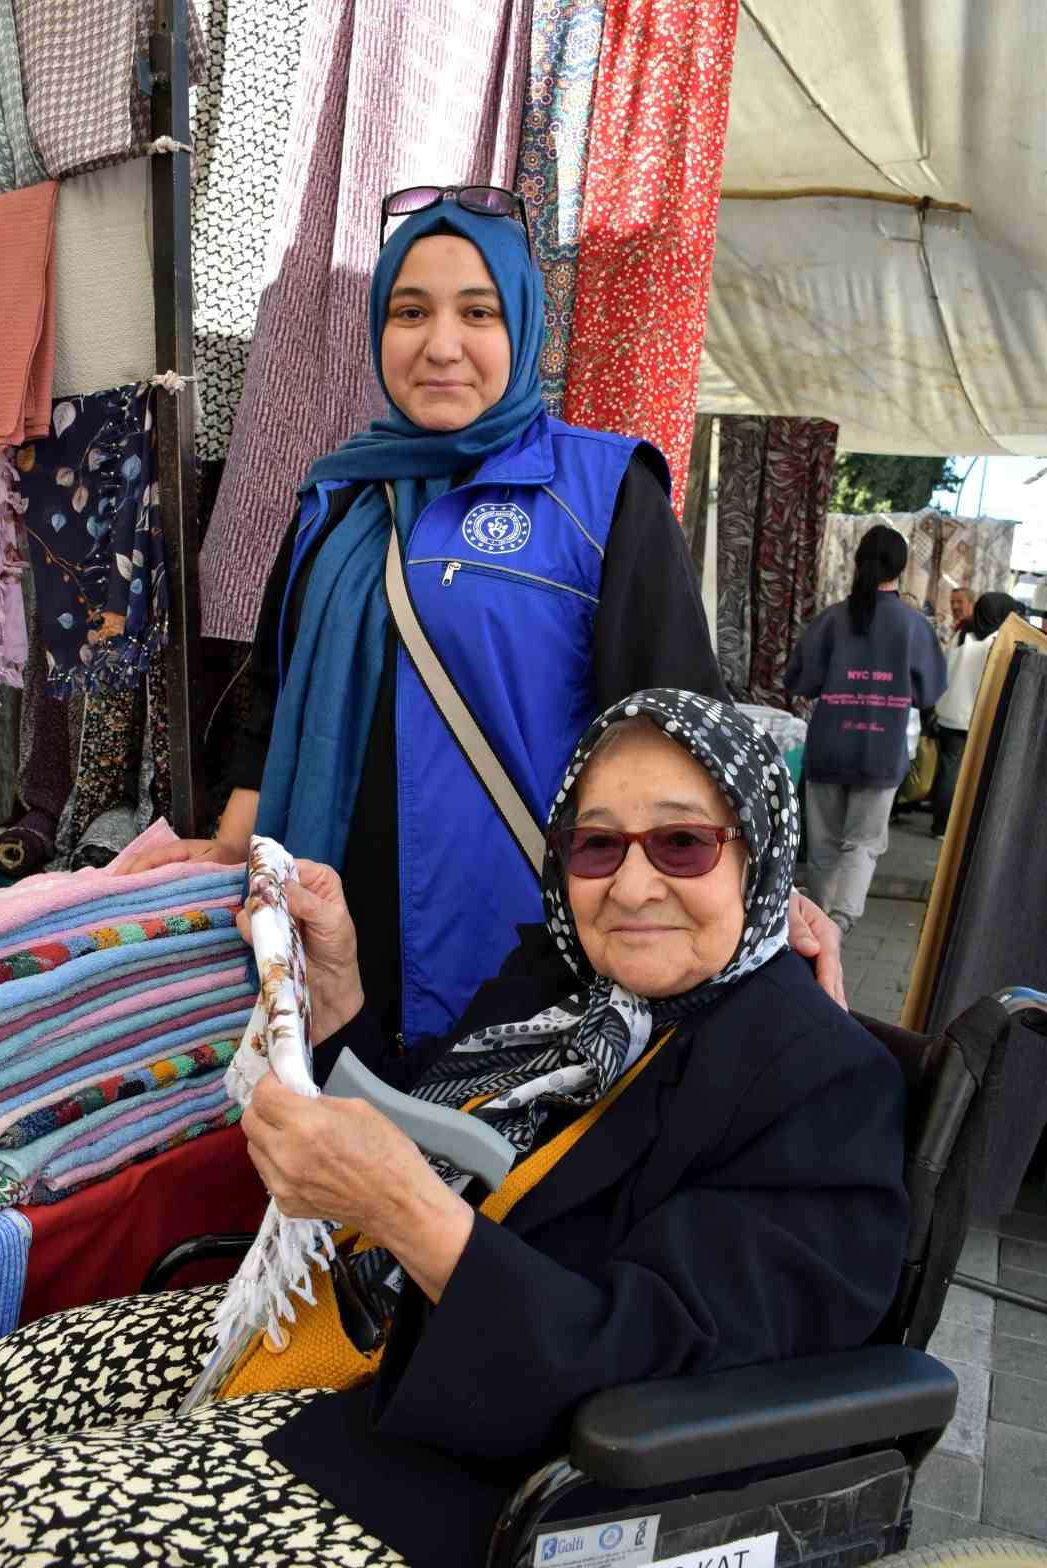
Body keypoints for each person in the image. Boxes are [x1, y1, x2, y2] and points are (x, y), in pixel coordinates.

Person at [0, 690, 908, 1568]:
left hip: (489, 1474)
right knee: (8, 1381)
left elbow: (647, 1362)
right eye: (596, 845)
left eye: (682, 842)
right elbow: (423, 1119)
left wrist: (405, 1213)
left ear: (758, 852)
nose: (631, 886)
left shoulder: (818, 1083)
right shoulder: (560, 983)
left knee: (18, 1524)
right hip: (352, 1330)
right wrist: (335, 983)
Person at [129, 187, 841, 1034]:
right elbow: (273, 703)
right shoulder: (336, 497)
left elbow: (681, 722)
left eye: (478, 312)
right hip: (325, 923)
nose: (441, 346)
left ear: (525, 328)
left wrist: (758, 894)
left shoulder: (605, 491)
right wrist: (224, 849)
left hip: (516, 946)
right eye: (409, 311)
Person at [785, 525, 946, 937]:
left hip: (829, 746)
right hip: (882, 751)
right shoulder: (914, 626)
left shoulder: (832, 619)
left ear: (858, 562)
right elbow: (929, 692)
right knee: (864, 843)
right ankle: (840, 922)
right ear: (903, 569)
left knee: (823, 843)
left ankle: (817, 918)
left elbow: (799, 680)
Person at [932, 591, 1026, 837]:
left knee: (948, 771)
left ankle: (940, 825)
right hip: (980, 717)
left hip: (951, 714)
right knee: (974, 773)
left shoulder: (962, 634)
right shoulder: (1000, 640)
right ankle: (964, 827)